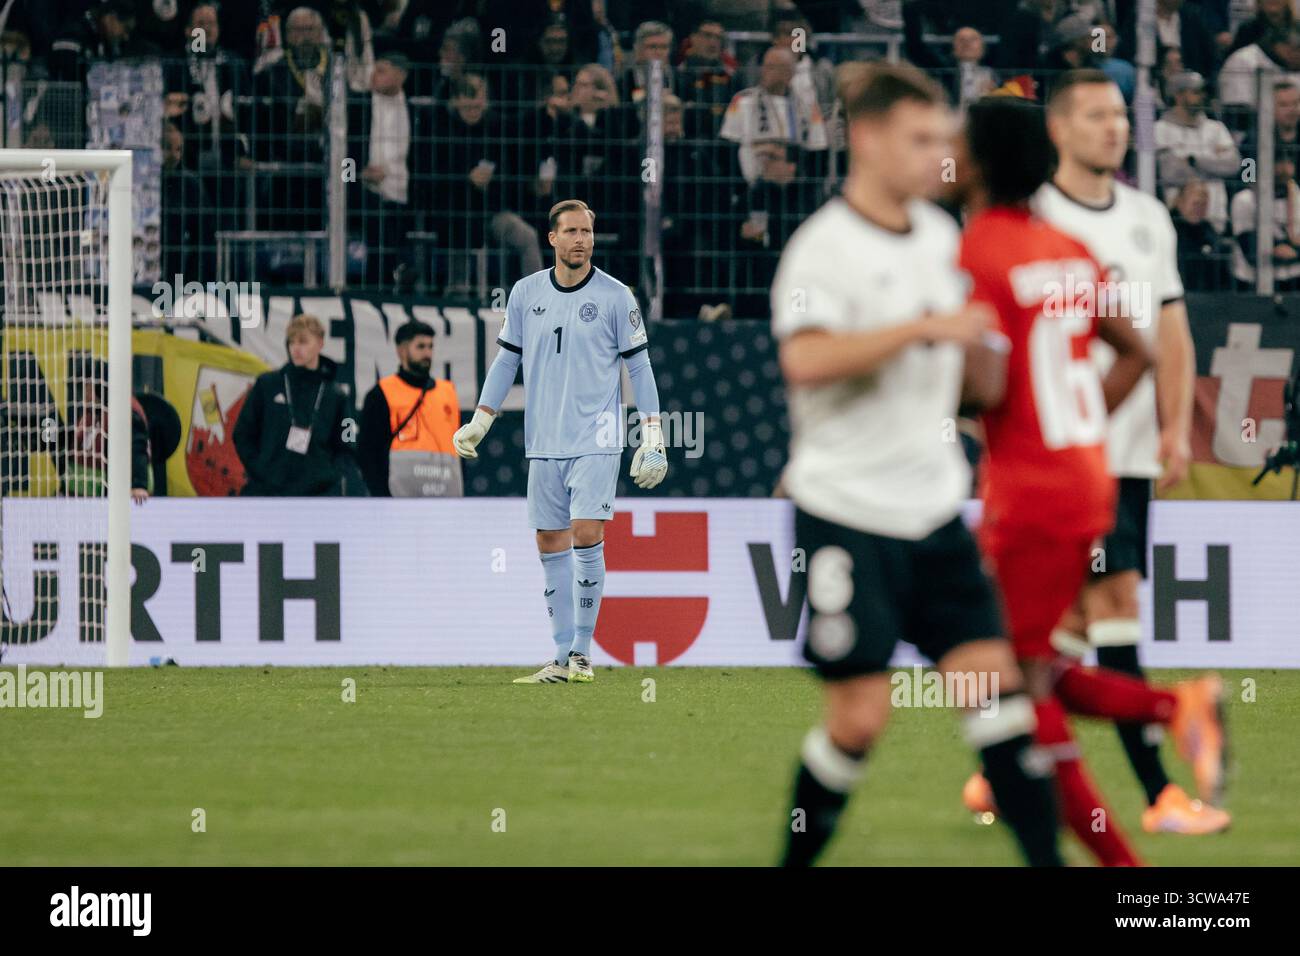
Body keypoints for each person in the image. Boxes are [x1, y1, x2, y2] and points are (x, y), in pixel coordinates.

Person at [771, 62, 1062, 869]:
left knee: (998, 699)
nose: (942, 156)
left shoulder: (941, 238)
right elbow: (808, 359)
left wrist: (986, 361)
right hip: (847, 512)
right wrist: (924, 329)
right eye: (922, 138)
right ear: (866, 139)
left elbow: (968, 369)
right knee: (860, 718)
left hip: (935, 513)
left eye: (946, 140)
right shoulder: (822, 250)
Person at [1002, 69, 1228, 833]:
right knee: (1116, 608)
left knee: (1060, 631)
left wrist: (1173, 427)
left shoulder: (1147, 218)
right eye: (1096, 116)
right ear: (1059, 130)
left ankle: (997, 774)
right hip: (1065, 463)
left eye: (1119, 115)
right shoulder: (1029, 220)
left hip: (1127, 457)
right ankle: (1163, 792)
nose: (1114, 128)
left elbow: (1170, 333)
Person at [953, 95, 1155, 865]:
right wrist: (1076, 427)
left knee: (1007, 680)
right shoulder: (1068, 248)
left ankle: (1127, 864)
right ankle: (1174, 710)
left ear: (975, 162)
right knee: (1026, 665)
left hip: (1030, 492)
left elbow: (979, 387)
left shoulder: (976, 252)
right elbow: (1137, 351)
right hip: (1084, 476)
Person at [452, 199, 667, 685]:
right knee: (549, 541)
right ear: (551, 238)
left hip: (598, 437)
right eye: (570, 231)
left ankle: (583, 655)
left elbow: (640, 367)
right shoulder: (526, 294)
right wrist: (481, 419)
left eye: (587, 232)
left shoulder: (616, 296)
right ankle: (560, 656)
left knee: (587, 533)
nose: (580, 240)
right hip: (543, 439)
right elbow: (507, 361)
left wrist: (652, 435)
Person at [234, 313, 356, 496]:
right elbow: (242, 432)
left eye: (303, 341)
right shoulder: (267, 385)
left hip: (317, 496)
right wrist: (261, 471)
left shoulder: (336, 395)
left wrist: (329, 476)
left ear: (320, 344)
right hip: (268, 492)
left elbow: (348, 443)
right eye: (291, 342)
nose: (296, 348)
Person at [358, 320, 462, 497]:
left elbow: (460, 447)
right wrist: (382, 498)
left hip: (446, 496)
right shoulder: (381, 394)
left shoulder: (448, 392)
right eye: (420, 346)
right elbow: (368, 453)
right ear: (402, 350)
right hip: (400, 500)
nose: (427, 353)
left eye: (430, 346)